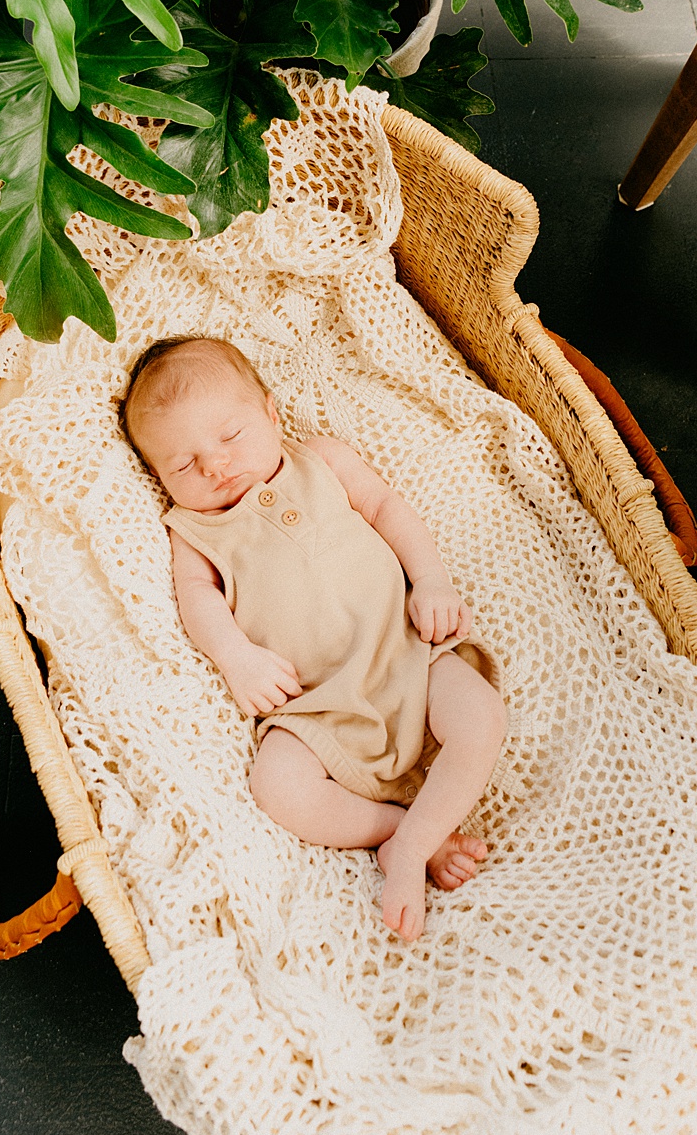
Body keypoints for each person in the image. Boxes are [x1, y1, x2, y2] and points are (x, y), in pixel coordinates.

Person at [120, 334, 507, 941]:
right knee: (276, 788)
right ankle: (395, 829)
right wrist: (235, 657)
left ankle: (411, 848)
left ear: (272, 415)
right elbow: (197, 600)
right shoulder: (195, 531)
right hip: (318, 707)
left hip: (408, 653)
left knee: (481, 717)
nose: (216, 466)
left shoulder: (322, 459)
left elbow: (386, 507)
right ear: (156, 476)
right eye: (184, 465)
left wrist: (430, 580)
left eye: (230, 437)